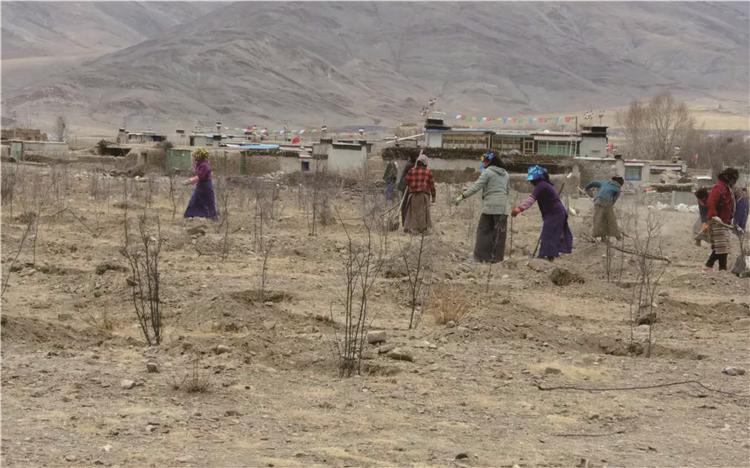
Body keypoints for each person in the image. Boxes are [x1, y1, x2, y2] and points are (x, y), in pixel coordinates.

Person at [454, 150, 510, 263]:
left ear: (490, 162)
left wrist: (462, 196)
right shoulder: (506, 174)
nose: (483, 163)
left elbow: (476, 186)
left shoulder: (488, 172)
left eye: (484, 161)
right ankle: (497, 259)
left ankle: (480, 257)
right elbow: (507, 191)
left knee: (483, 231)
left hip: (490, 207)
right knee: (499, 234)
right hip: (503, 208)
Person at [511, 165, 573, 261]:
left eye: (532, 180)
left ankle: (545, 256)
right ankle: (549, 256)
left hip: (555, 214)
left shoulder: (541, 186)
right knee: (550, 234)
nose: (531, 182)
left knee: (548, 235)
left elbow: (530, 200)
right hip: (556, 213)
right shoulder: (545, 185)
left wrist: (519, 209)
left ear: (537, 179)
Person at [703, 167, 739, 271]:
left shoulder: (726, 188)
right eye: (734, 180)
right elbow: (711, 202)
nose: (735, 183)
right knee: (721, 247)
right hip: (717, 221)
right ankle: (714, 268)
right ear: (730, 178)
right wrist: (714, 216)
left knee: (722, 247)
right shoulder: (719, 187)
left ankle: (716, 268)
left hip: (724, 222)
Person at [403, 153, 436, 233]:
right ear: (425, 163)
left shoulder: (411, 171)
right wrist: (433, 197)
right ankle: (422, 229)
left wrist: (412, 184)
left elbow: (406, 181)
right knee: (422, 213)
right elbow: (432, 186)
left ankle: (413, 228)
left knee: (413, 212)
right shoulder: (428, 172)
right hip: (423, 196)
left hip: (413, 195)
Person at [584, 176, 624, 241]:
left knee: (598, 219)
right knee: (611, 220)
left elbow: (594, 183)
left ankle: (600, 237)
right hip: (607, 203)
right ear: (620, 184)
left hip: (597, 202)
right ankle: (618, 237)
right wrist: (610, 206)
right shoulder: (617, 189)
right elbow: (614, 200)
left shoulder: (605, 183)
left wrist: (586, 188)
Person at [184, 147, 217, 220]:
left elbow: (200, 176)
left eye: (195, 156)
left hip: (205, 186)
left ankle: (210, 217)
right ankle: (193, 216)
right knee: (196, 200)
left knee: (205, 201)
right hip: (202, 185)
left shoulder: (204, 165)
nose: (193, 157)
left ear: (199, 156)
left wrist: (188, 181)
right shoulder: (202, 164)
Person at [398, 152, 419, 227]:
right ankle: (405, 223)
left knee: (405, 205)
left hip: (404, 185)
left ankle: (405, 223)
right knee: (406, 205)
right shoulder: (411, 165)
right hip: (406, 186)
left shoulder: (410, 164)